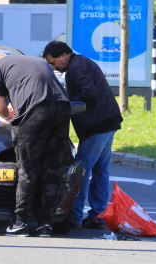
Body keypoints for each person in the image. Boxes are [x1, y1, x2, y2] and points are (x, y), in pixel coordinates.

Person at [0, 52, 71, 238]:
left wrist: (9, 117)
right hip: (63, 108)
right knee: (52, 168)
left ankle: (20, 223)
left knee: (27, 168)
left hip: (37, 110)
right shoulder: (33, 60)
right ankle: (45, 225)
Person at [43, 40, 123, 230]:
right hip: (108, 121)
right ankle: (98, 216)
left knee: (81, 171)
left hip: (96, 125)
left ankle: (75, 216)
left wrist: (67, 105)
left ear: (64, 55)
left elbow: (89, 93)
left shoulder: (76, 67)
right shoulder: (81, 63)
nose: (53, 67)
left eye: (53, 62)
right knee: (100, 171)